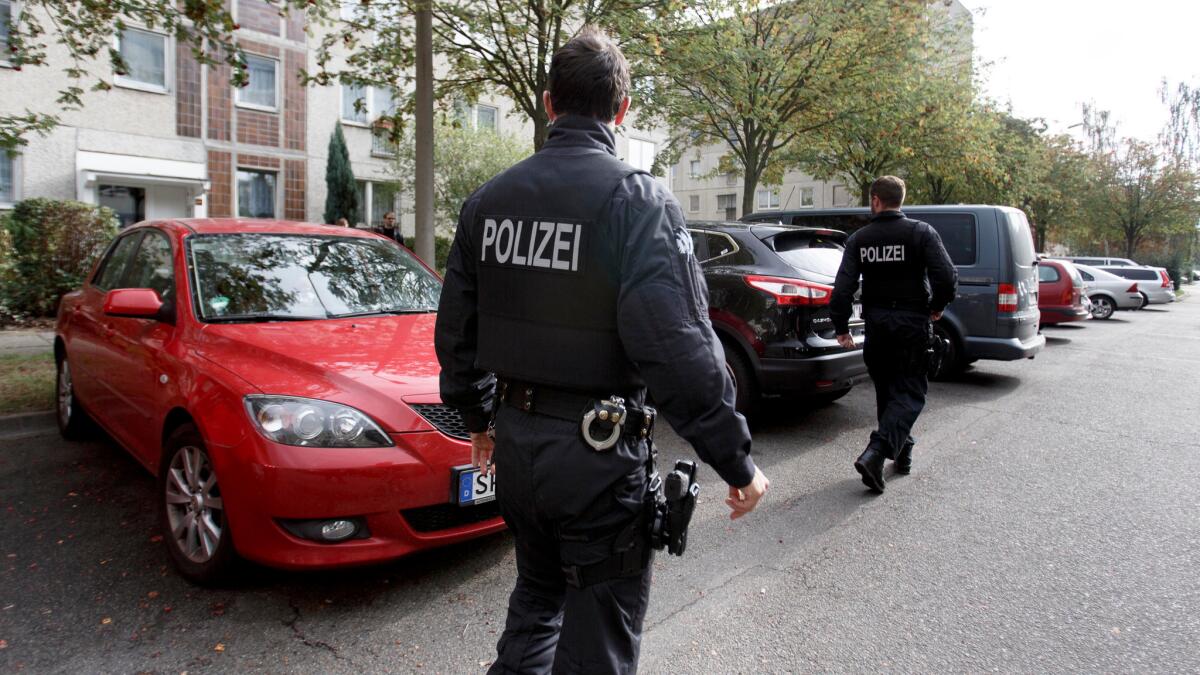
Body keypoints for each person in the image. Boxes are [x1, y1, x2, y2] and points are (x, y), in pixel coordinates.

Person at [435, 27, 770, 674]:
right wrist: (736, 460)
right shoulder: (634, 202)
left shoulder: (489, 202)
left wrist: (478, 420)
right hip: (595, 459)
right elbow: (677, 348)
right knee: (598, 644)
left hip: (521, 450)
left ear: (548, 103)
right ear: (621, 110)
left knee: (537, 599)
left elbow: (456, 330)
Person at [829, 176, 957, 493]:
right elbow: (947, 276)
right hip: (912, 323)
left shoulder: (860, 239)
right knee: (910, 393)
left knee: (889, 393)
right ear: (901, 199)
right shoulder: (920, 232)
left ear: (875, 200)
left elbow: (842, 287)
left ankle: (902, 454)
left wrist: (842, 327)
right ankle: (877, 453)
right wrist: (937, 306)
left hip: (877, 326)